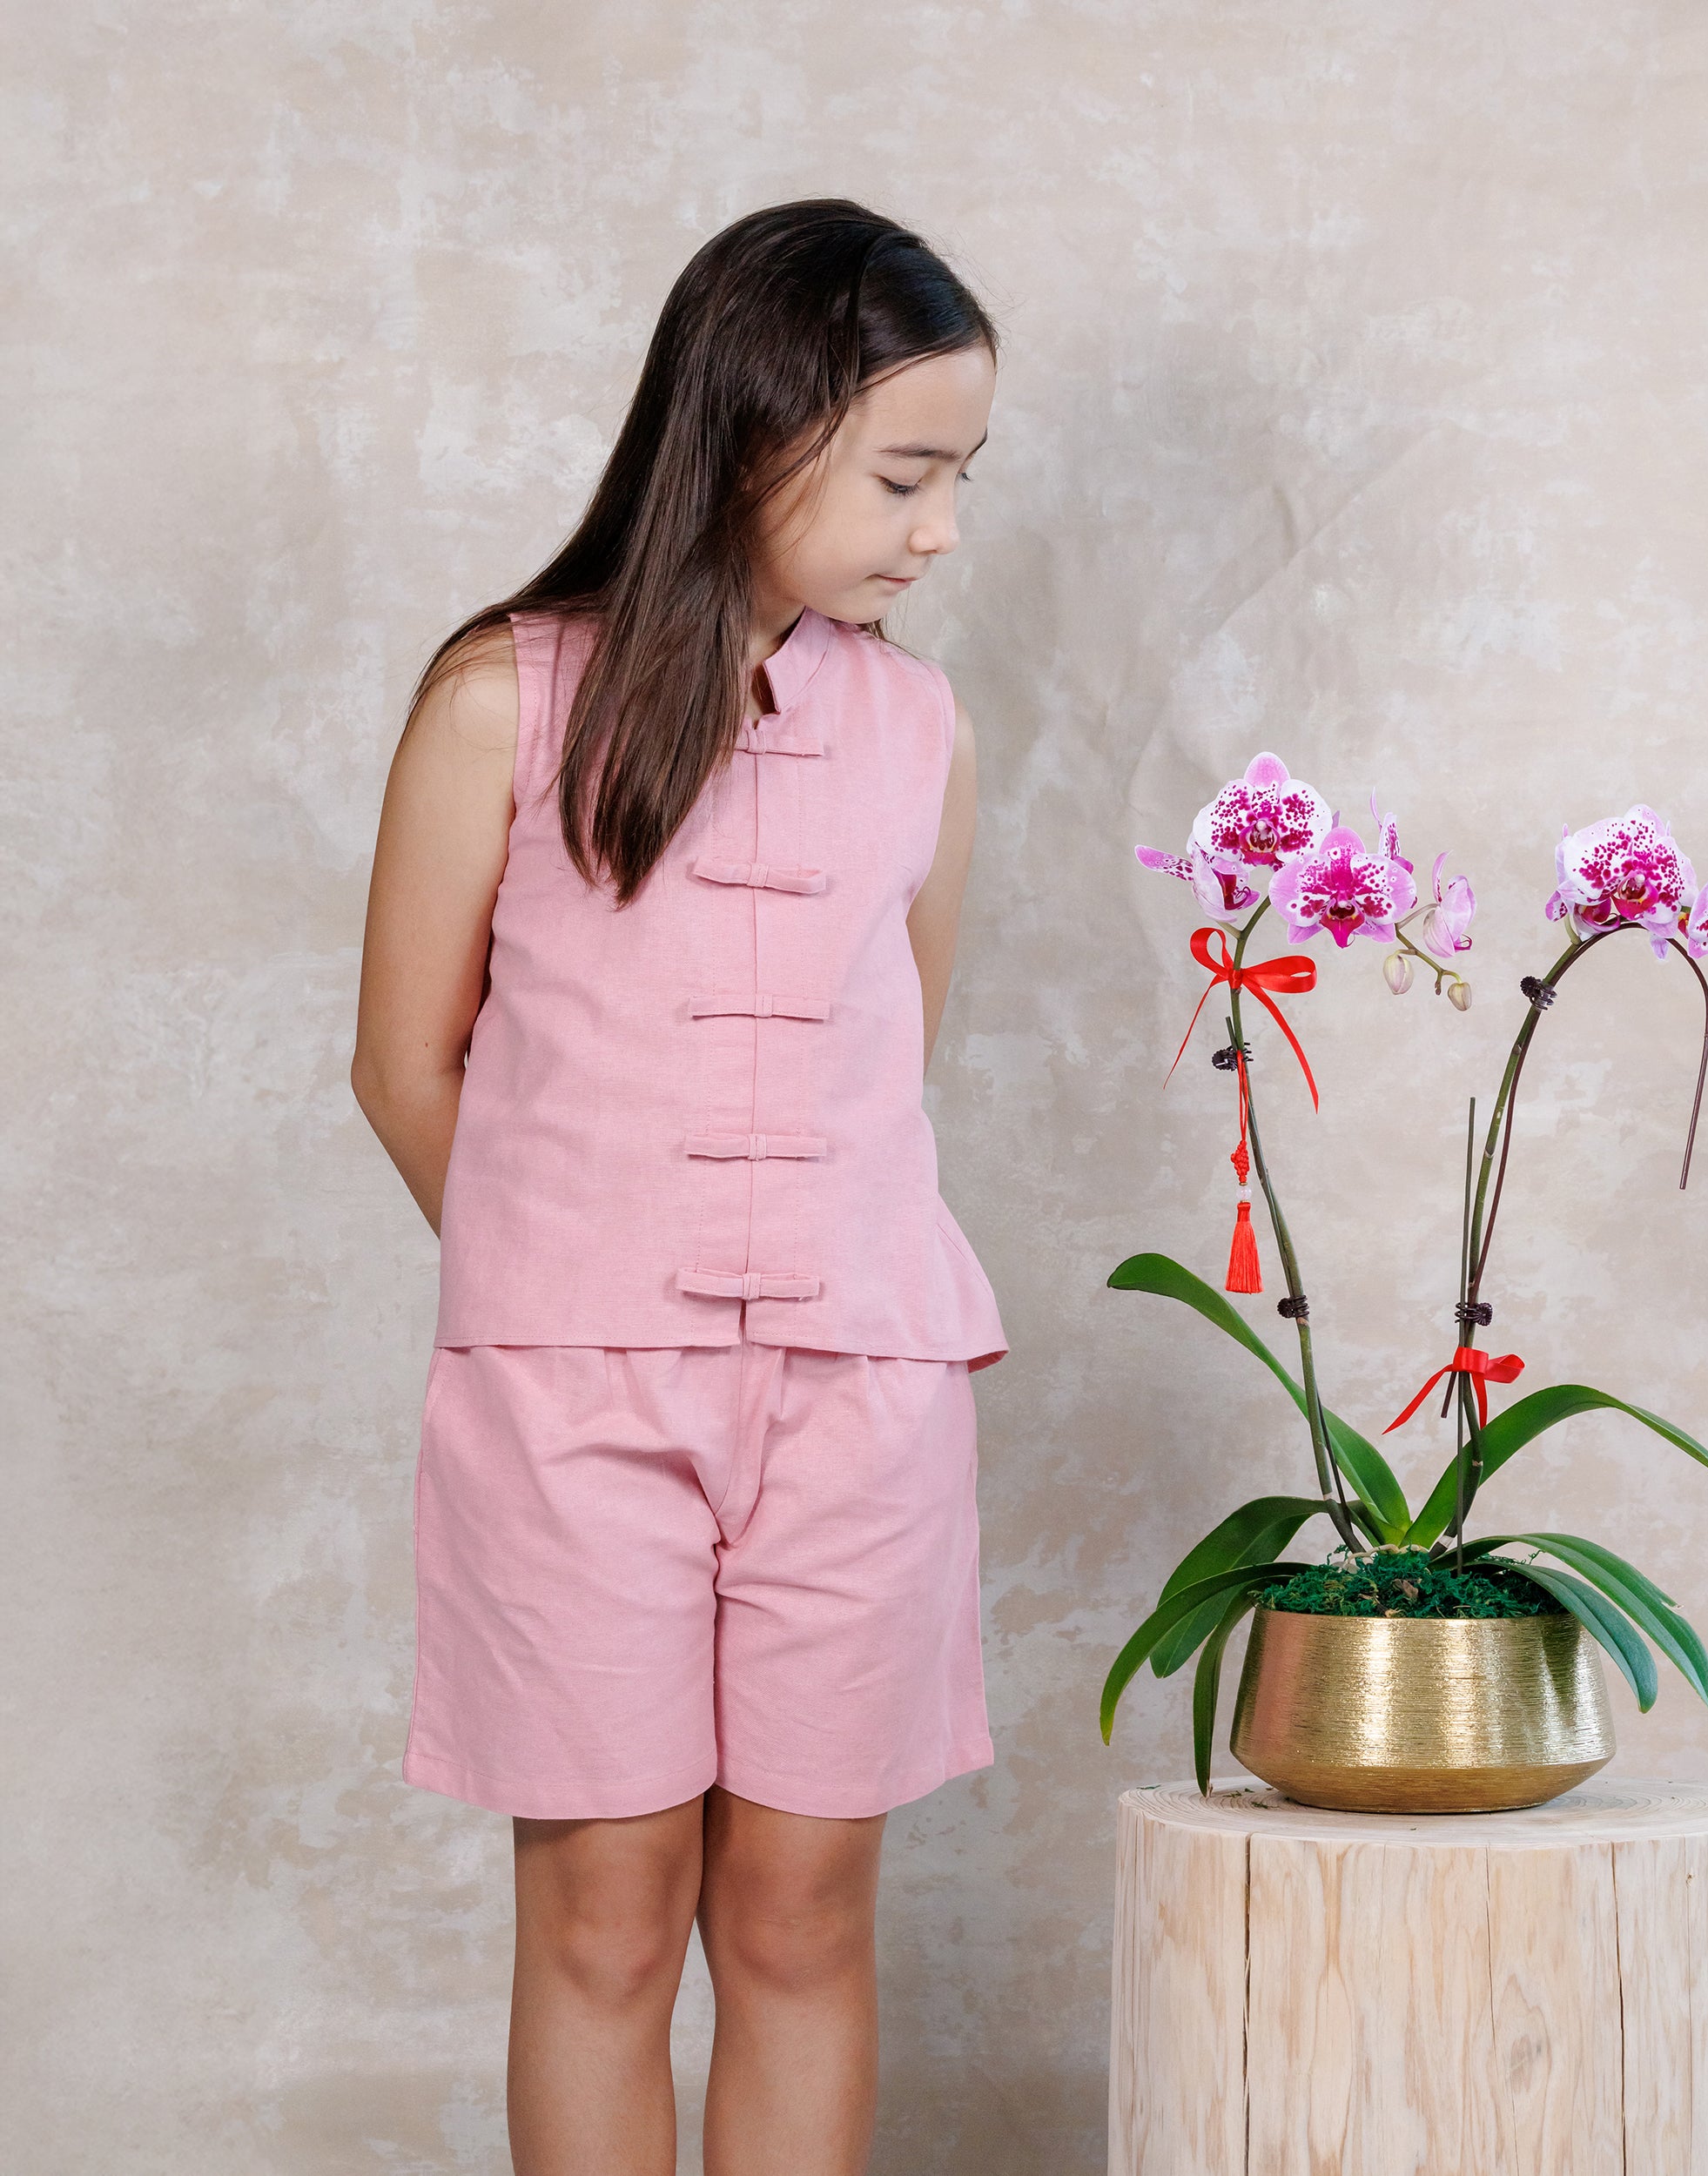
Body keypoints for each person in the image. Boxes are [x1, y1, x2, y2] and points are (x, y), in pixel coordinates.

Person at [349, 199, 1007, 2176]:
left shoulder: (920, 730)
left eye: (961, 478)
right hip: (571, 1401)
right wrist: (570, 1277)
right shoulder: (502, 697)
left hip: (861, 1387)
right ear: (748, 430)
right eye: (904, 474)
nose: (939, 531)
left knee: (800, 1915)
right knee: (606, 1914)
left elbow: (890, 1051)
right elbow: (404, 1061)